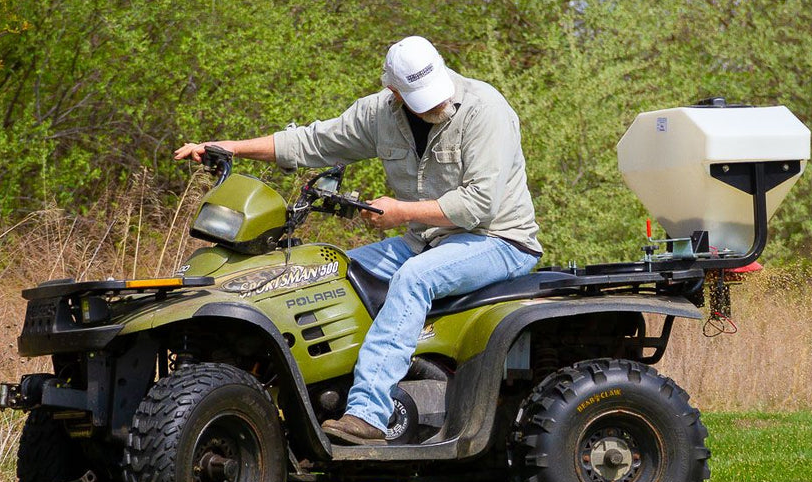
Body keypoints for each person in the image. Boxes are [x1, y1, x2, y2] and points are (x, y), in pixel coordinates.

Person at [174, 36, 541, 445]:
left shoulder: (485, 109)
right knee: (331, 272)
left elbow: (479, 204)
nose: (434, 103)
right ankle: (315, 399)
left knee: (414, 279)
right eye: (418, 96)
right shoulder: (379, 114)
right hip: (427, 238)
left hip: (498, 240)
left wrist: (401, 212)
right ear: (393, 91)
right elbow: (310, 142)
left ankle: (369, 413)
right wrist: (227, 148)